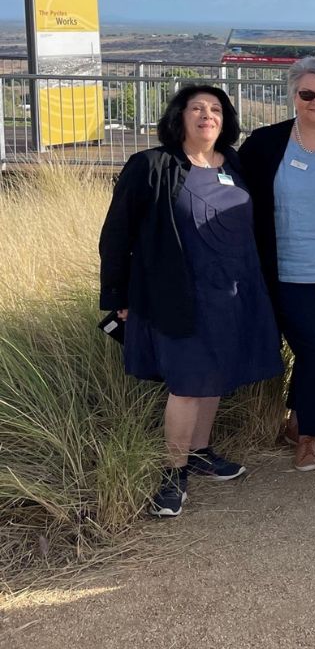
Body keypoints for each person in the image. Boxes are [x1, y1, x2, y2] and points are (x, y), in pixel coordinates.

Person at [100, 85, 282, 516]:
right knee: (186, 383)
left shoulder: (234, 164)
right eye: (197, 108)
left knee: (214, 375)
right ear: (179, 117)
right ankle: (172, 474)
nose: (207, 115)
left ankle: (200, 453)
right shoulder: (151, 166)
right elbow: (116, 234)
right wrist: (118, 295)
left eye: (216, 109)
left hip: (234, 292)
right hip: (176, 293)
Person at [238, 57, 315, 474]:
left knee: (313, 349)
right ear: (293, 95)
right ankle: (310, 436)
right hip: (285, 273)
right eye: (307, 93)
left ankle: (294, 421)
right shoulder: (266, 144)